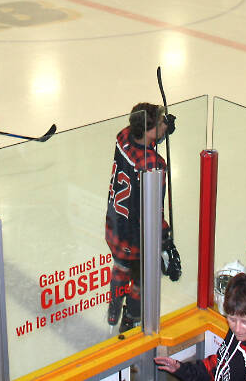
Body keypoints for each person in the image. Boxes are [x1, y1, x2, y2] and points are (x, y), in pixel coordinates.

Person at [105, 103, 182, 333]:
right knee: (141, 279)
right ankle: (130, 318)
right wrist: (165, 240)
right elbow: (154, 211)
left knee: (120, 266)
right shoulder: (154, 166)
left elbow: (141, 141)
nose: (162, 127)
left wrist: (162, 129)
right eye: (159, 124)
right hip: (135, 236)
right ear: (149, 130)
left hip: (114, 225)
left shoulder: (124, 137)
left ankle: (113, 308)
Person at [155, 273, 246, 381]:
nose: (237, 328)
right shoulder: (243, 323)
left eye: (245, 322)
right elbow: (219, 367)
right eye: (231, 319)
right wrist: (181, 370)